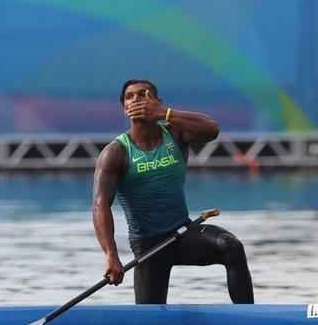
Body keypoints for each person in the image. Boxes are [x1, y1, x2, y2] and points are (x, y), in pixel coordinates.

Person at [92, 79, 255, 304]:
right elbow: (100, 205)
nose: (137, 99)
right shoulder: (116, 153)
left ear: (157, 102)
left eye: (144, 94)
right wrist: (111, 255)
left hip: (183, 233)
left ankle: (246, 318)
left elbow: (212, 129)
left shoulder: (176, 134)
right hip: (149, 245)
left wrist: (164, 113)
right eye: (130, 96)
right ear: (124, 108)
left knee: (231, 246)